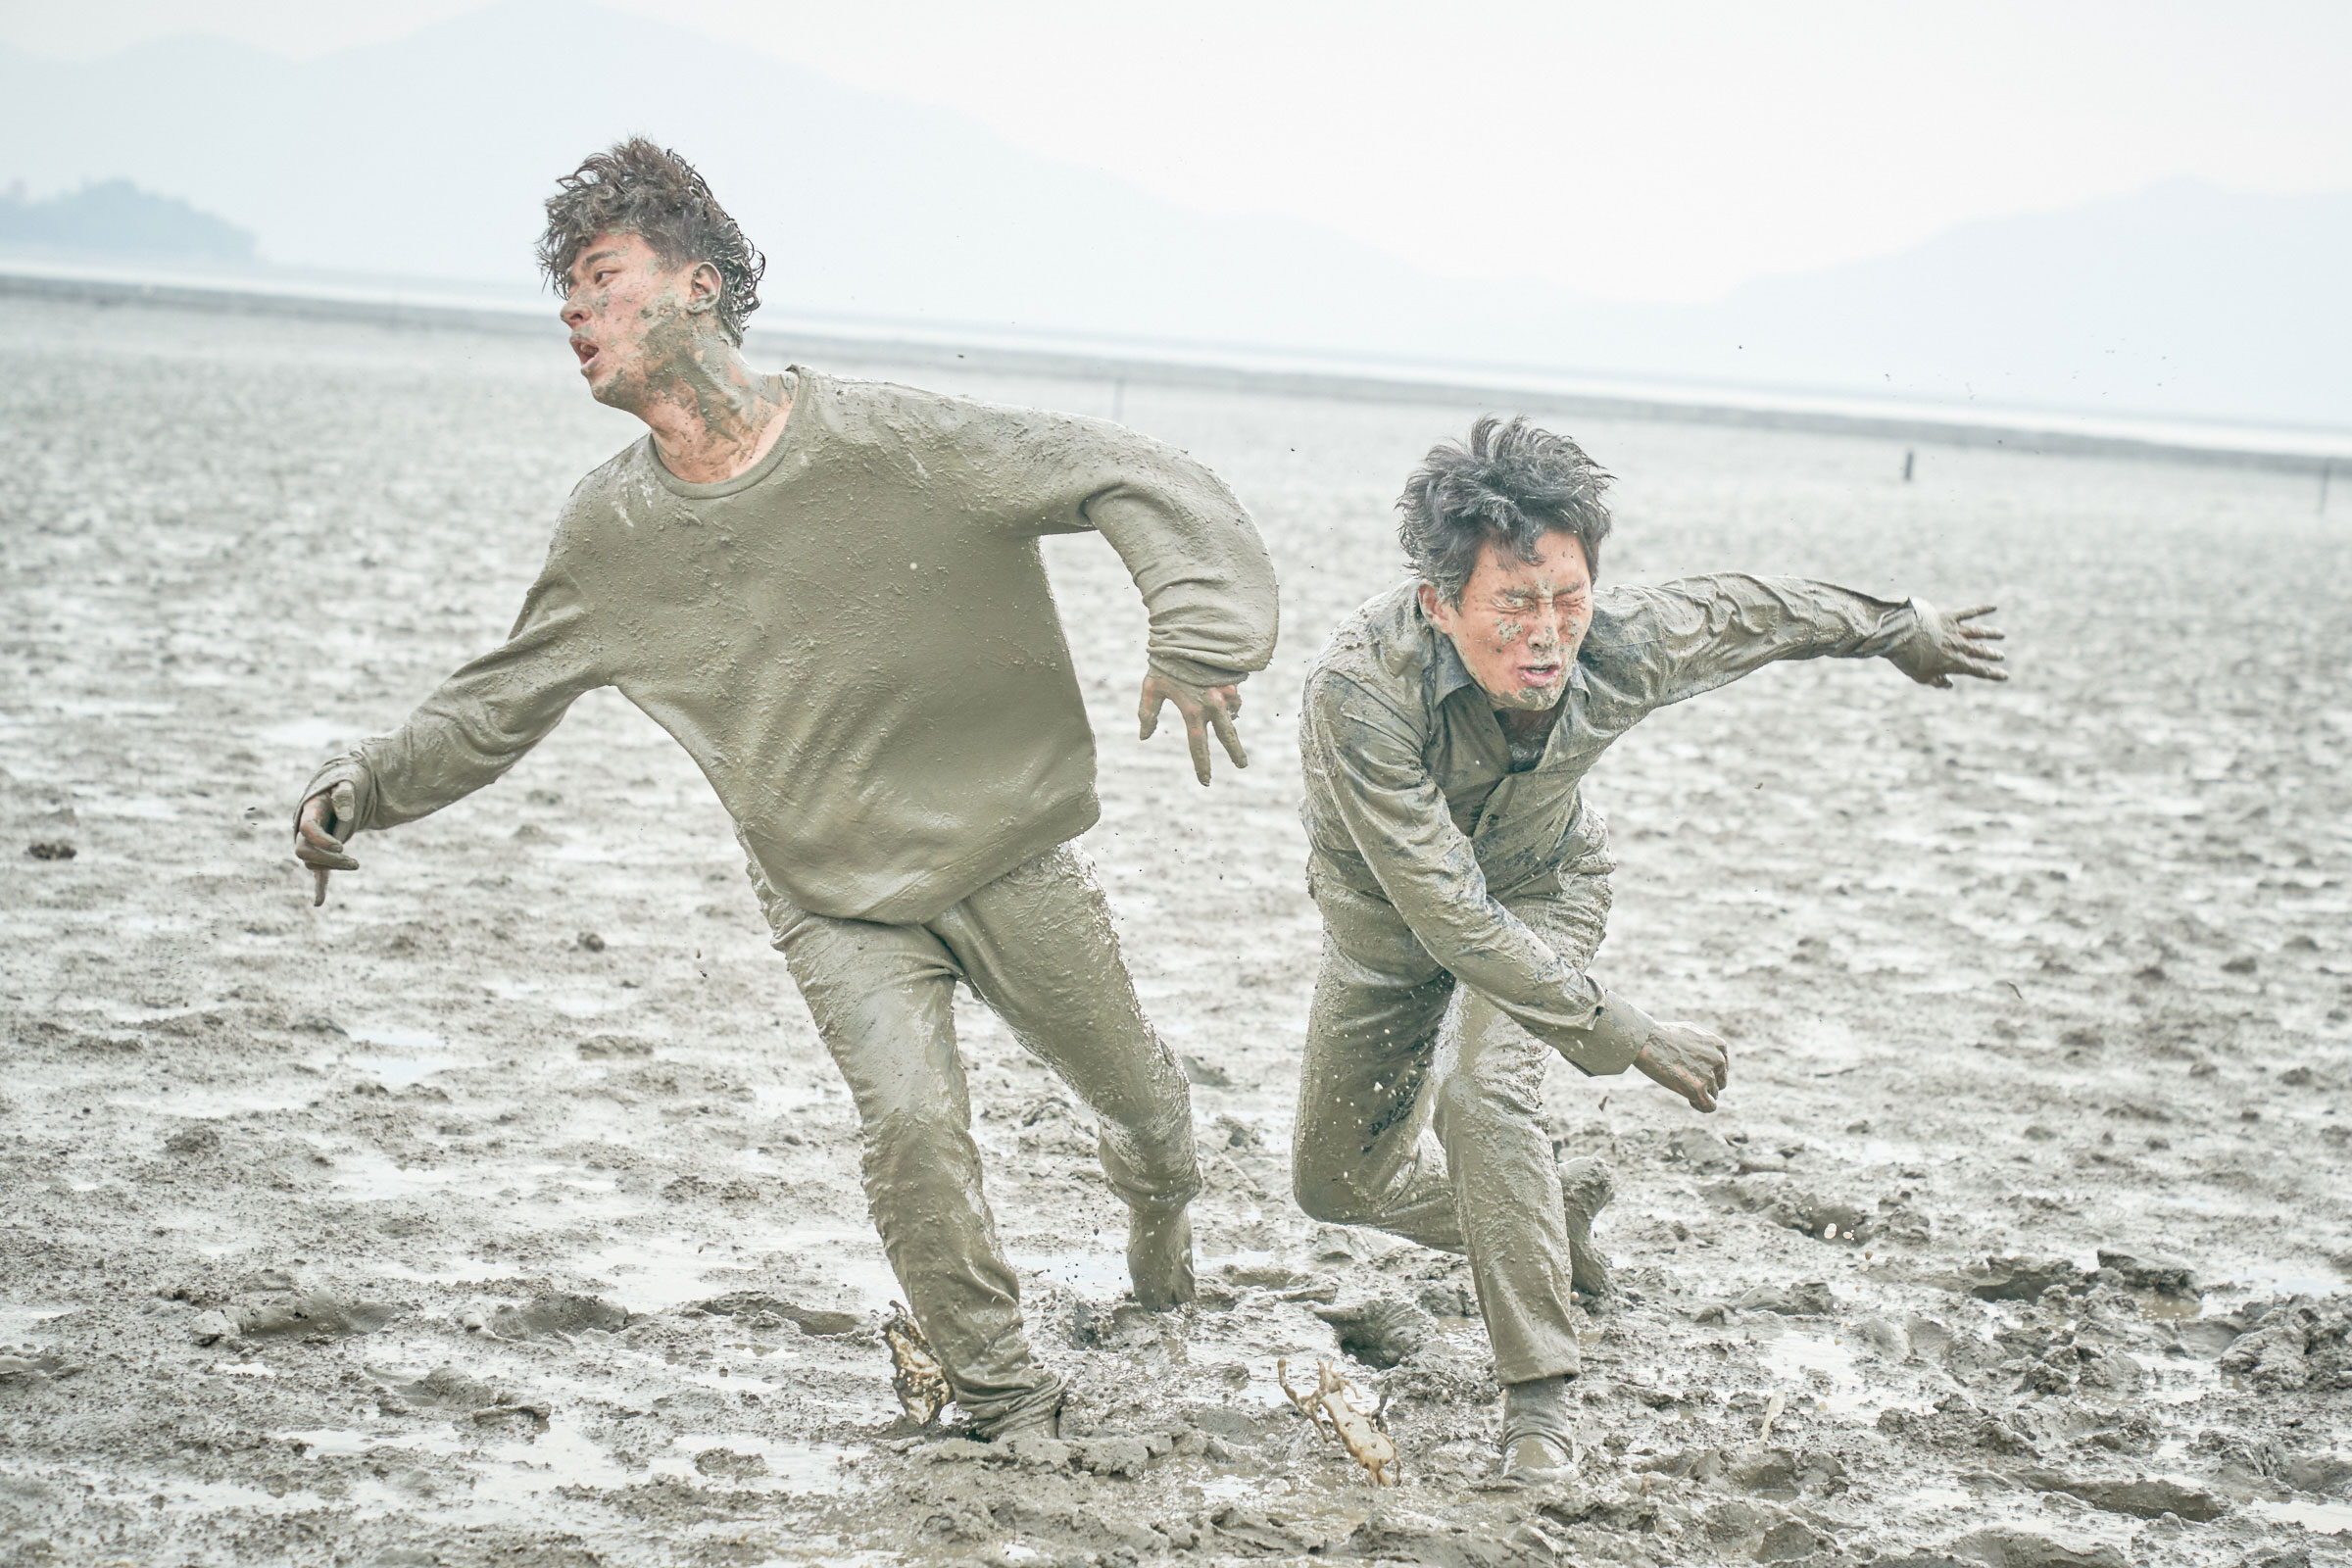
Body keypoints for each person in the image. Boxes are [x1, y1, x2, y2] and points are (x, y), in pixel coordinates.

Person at [291, 140, 1278, 1443]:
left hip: (1004, 851)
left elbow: (1127, 471)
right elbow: (499, 698)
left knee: (1146, 1111)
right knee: (911, 1128)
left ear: (699, 284)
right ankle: (1002, 1394)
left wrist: (1197, 634)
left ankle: (1159, 1211)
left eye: (603, 277)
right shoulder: (612, 532)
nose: (576, 312)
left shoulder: (892, 438)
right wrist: (364, 783)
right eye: (565, 293)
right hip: (829, 894)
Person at [1289, 416, 2003, 1482]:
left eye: (1567, 599)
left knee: (1482, 1096)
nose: (1547, 635)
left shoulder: (1618, 647)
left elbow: (1751, 612)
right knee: (1334, 1185)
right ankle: (1550, 1221)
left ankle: (1538, 1405)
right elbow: (1448, 918)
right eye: (1513, 605)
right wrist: (1629, 1035)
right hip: (1390, 928)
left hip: (1544, 886)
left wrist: (1901, 627)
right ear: (1439, 605)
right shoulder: (1360, 693)